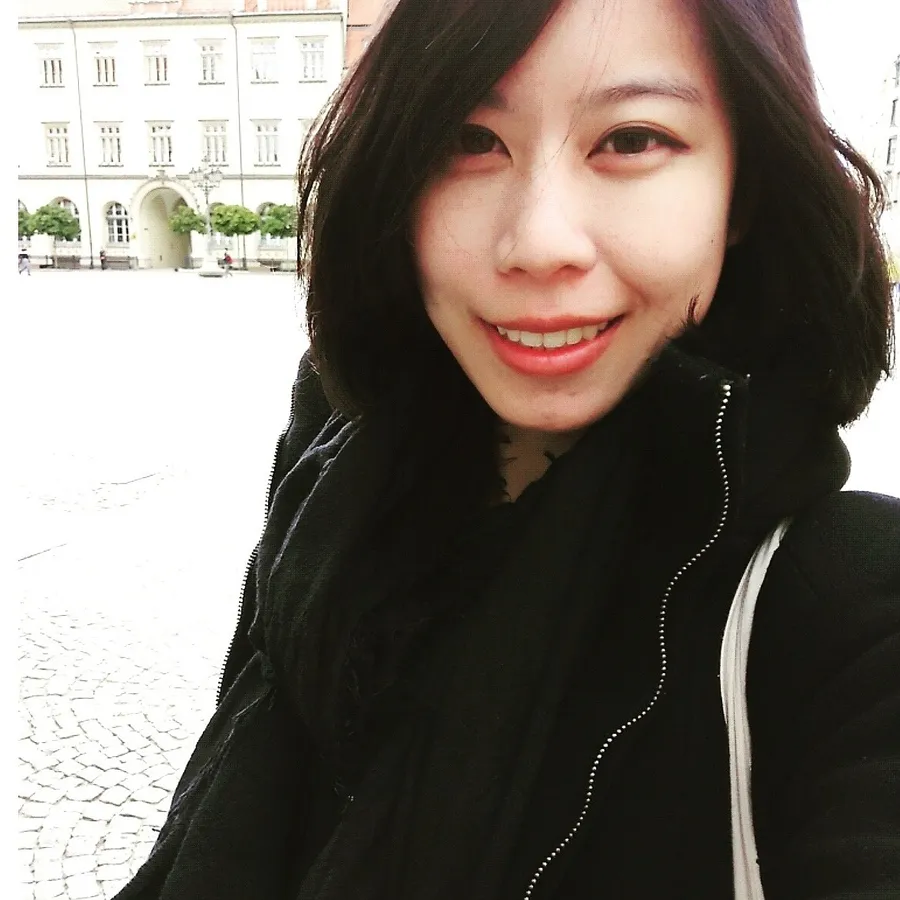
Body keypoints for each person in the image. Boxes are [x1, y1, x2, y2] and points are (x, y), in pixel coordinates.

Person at [113, 0, 899, 898]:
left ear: (744, 188)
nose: (537, 242)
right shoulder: (333, 462)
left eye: (632, 140)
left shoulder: (848, 607)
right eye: (470, 140)